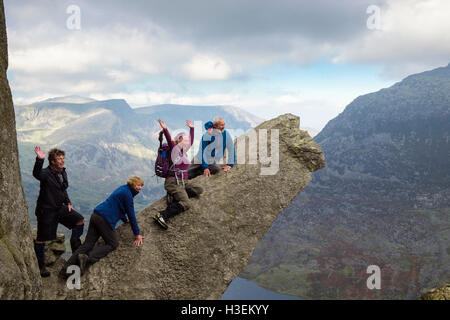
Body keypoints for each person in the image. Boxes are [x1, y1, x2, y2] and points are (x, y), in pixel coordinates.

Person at [59, 176, 145, 278]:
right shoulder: (128, 195)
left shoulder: (123, 189)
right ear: (132, 184)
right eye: (138, 185)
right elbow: (131, 214)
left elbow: (119, 206)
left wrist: (125, 220)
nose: (140, 188)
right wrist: (137, 234)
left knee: (87, 244)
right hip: (104, 220)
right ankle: (87, 258)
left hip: (96, 215)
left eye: (141, 186)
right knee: (113, 244)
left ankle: (65, 270)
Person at [32, 146, 84, 277]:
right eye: (58, 159)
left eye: (63, 158)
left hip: (59, 207)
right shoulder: (46, 173)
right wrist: (39, 159)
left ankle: (76, 255)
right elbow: (37, 174)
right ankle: (41, 266)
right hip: (47, 210)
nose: (62, 161)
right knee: (41, 239)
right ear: (52, 161)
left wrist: (68, 202)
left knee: (79, 220)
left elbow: (63, 189)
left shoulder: (62, 172)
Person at [153, 119, 204, 229]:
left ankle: (174, 197)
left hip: (183, 182)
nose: (187, 143)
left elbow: (191, 140)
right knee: (186, 204)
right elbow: (169, 140)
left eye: (187, 141)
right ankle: (162, 215)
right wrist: (165, 129)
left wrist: (192, 129)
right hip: (173, 182)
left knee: (199, 190)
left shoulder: (183, 152)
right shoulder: (174, 150)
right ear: (179, 141)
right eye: (184, 141)